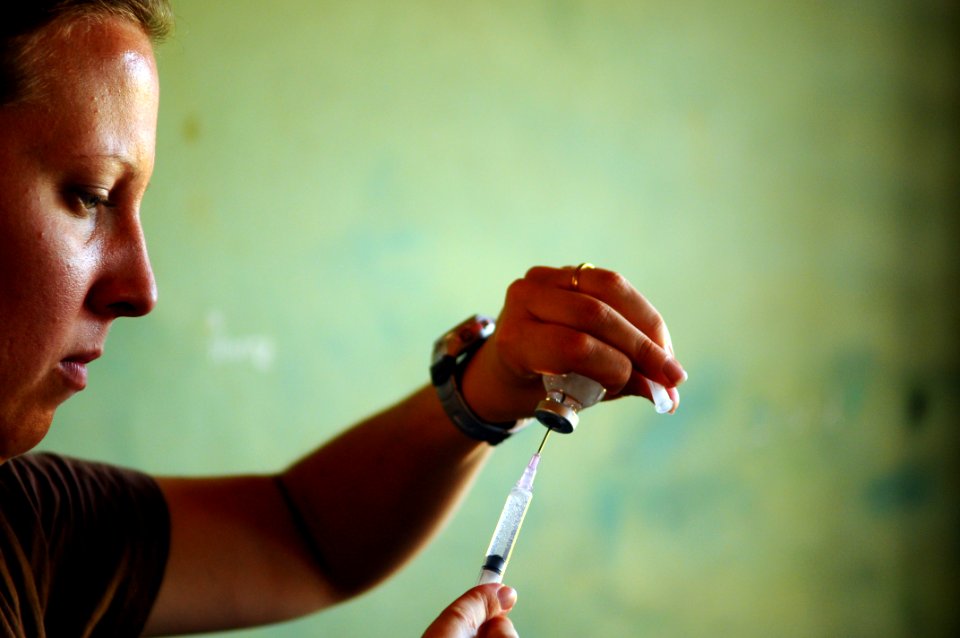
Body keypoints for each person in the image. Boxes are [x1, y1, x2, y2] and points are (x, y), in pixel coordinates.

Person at [0, 1, 688, 636]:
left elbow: (303, 538)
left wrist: (490, 385)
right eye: (89, 196)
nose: (142, 288)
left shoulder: (20, 528)